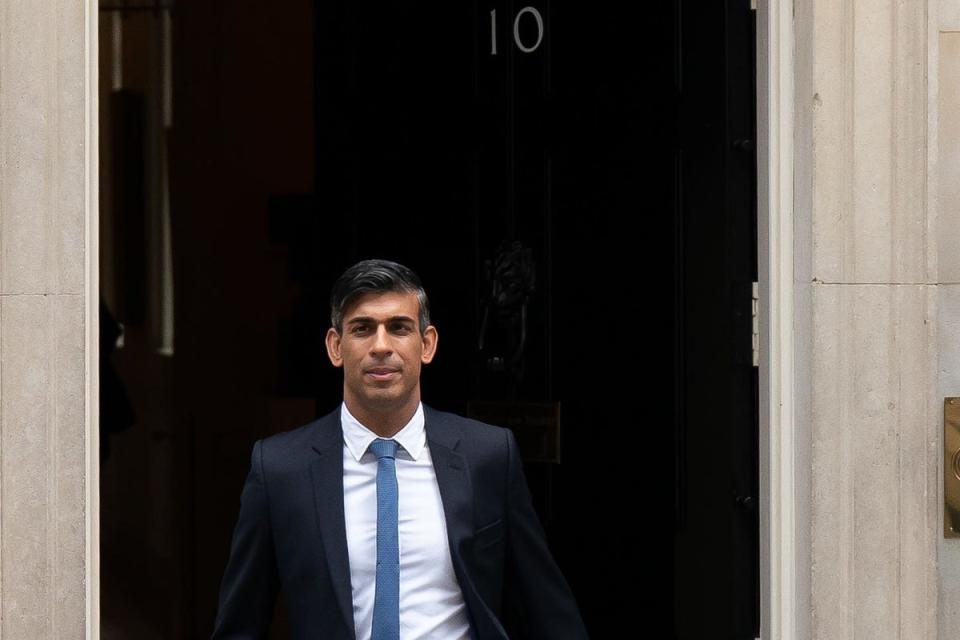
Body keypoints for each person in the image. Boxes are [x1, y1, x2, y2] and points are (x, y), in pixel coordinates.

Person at [211, 258, 588, 639]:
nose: (381, 346)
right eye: (362, 329)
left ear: (427, 344)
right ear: (335, 346)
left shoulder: (488, 455)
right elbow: (240, 624)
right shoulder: (279, 469)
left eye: (399, 328)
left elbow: (547, 609)